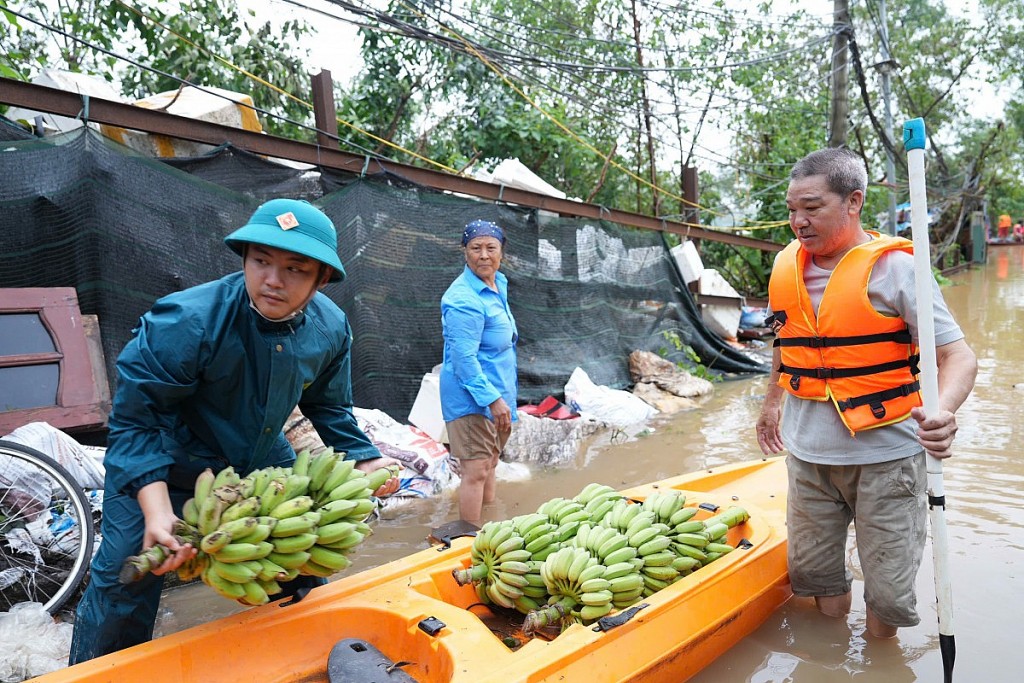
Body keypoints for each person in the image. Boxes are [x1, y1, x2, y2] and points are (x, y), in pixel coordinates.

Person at [70, 198, 398, 663]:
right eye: (261, 261)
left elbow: (327, 405)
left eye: (295, 269)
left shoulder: (329, 328)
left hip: (260, 454)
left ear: (322, 279)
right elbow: (138, 421)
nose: (273, 280)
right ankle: (97, 672)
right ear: (245, 257)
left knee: (302, 553)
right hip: (166, 460)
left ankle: (297, 661)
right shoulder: (189, 321)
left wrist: (366, 456)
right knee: (127, 575)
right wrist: (158, 510)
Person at [755, 148, 977, 640]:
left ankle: (881, 661)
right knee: (818, 582)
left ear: (853, 201)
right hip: (808, 458)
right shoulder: (786, 267)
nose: (798, 221)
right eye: (792, 209)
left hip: (887, 459)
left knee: (888, 599)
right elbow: (786, 340)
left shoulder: (897, 270)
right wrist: (771, 403)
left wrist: (944, 412)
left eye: (812, 208)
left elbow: (959, 357)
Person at [439, 219, 518, 527]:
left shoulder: (499, 284)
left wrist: (503, 399)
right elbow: (464, 360)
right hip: (472, 398)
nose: (484, 255)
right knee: (475, 471)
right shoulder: (463, 299)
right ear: (465, 252)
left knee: (490, 463)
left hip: (499, 393)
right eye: (476, 248)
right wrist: (494, 400)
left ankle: (492, 523)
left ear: (501, 253)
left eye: (491, 248)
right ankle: (469, 536)